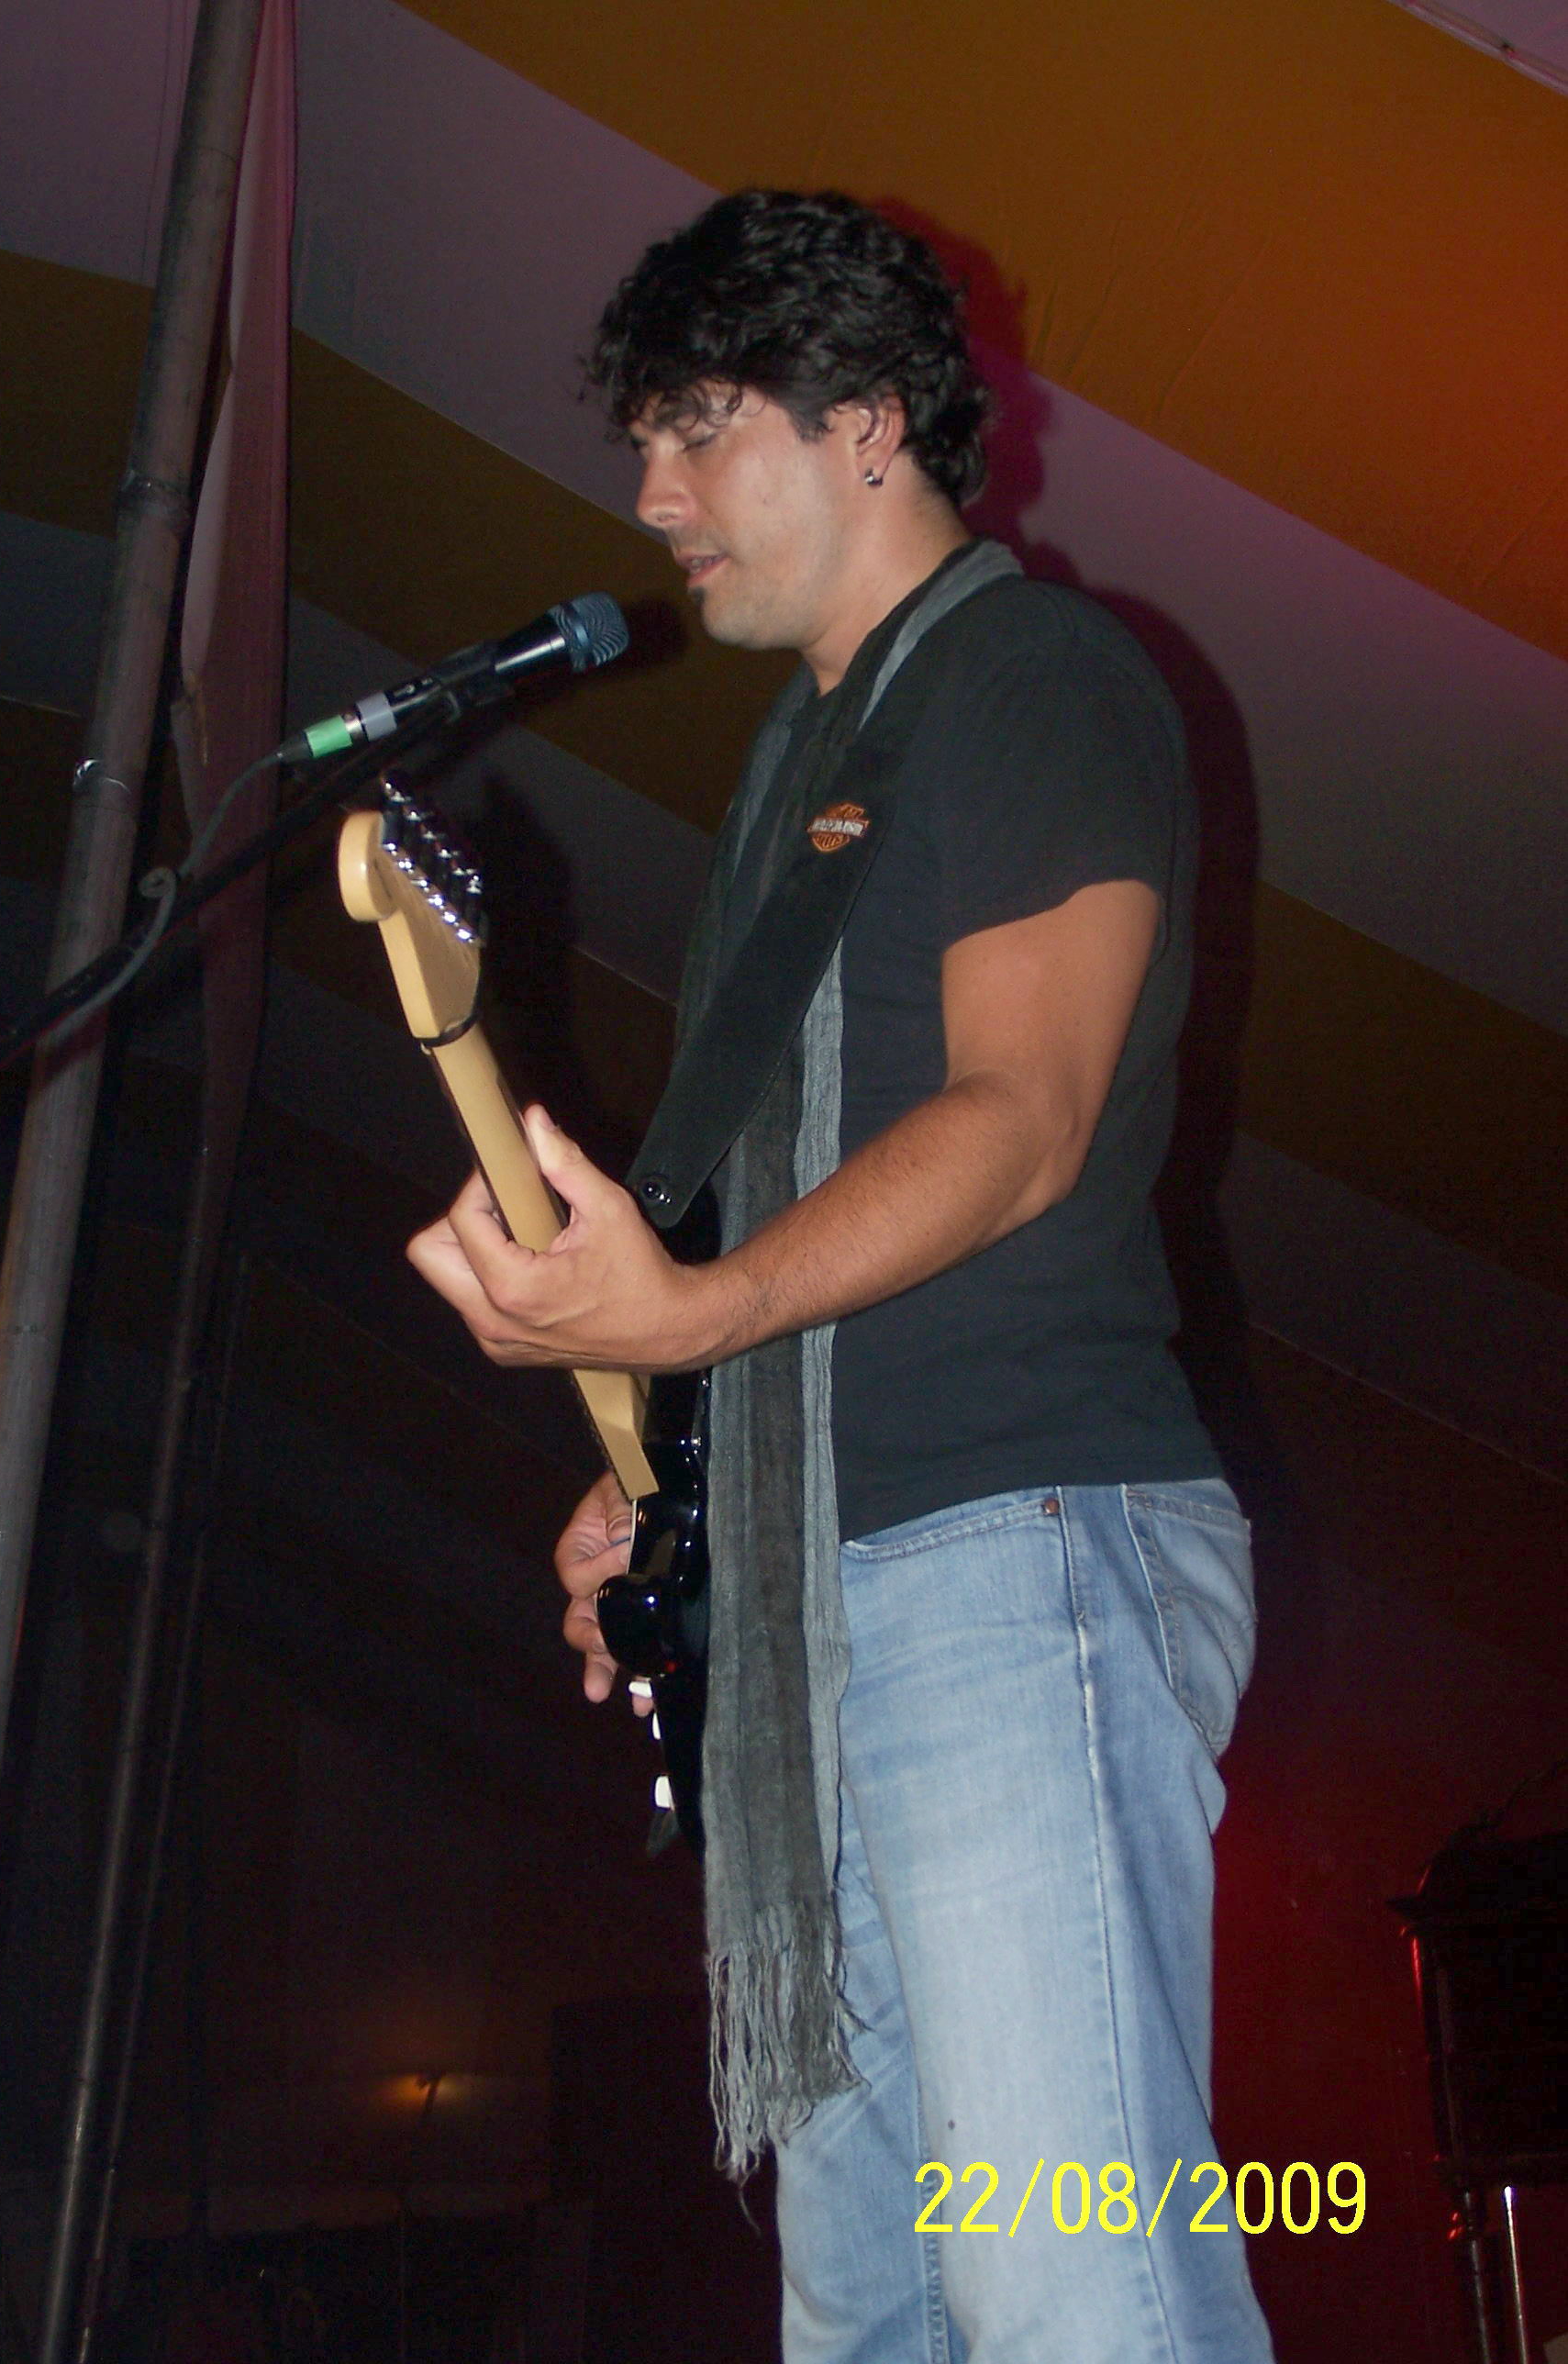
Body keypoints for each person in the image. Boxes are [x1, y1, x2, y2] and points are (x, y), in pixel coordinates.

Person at [407, 190, 1273, 2364]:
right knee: (872, 2328)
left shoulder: (1035, 678)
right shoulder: (795, 772)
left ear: (870, 420)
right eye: (645, 440)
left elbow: (1024, 1116)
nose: (651, 493)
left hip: (1013, 1548)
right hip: (831, 1608)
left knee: (1083, 2296)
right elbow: (759, 1237)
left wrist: (691, 1316)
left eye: (698, 427)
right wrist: (664, 1474)